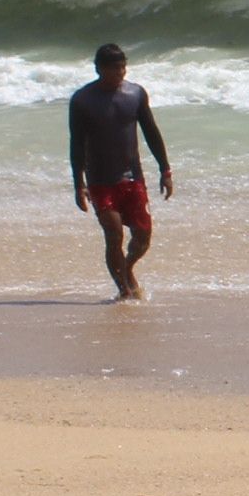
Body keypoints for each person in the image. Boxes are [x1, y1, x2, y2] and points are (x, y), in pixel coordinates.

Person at [69, 43, 173, 303]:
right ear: (99, 69)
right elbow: (76, 144)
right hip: (100, 181)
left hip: (132, 178)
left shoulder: (135, 94)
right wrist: (78, 183)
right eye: (115, 68)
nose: (121, 72)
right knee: (114, 232)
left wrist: (165, 169)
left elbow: (151, 133)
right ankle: (124, 290)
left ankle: (127, 268)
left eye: (124, 66)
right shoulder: (82, 100)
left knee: (142, 236)